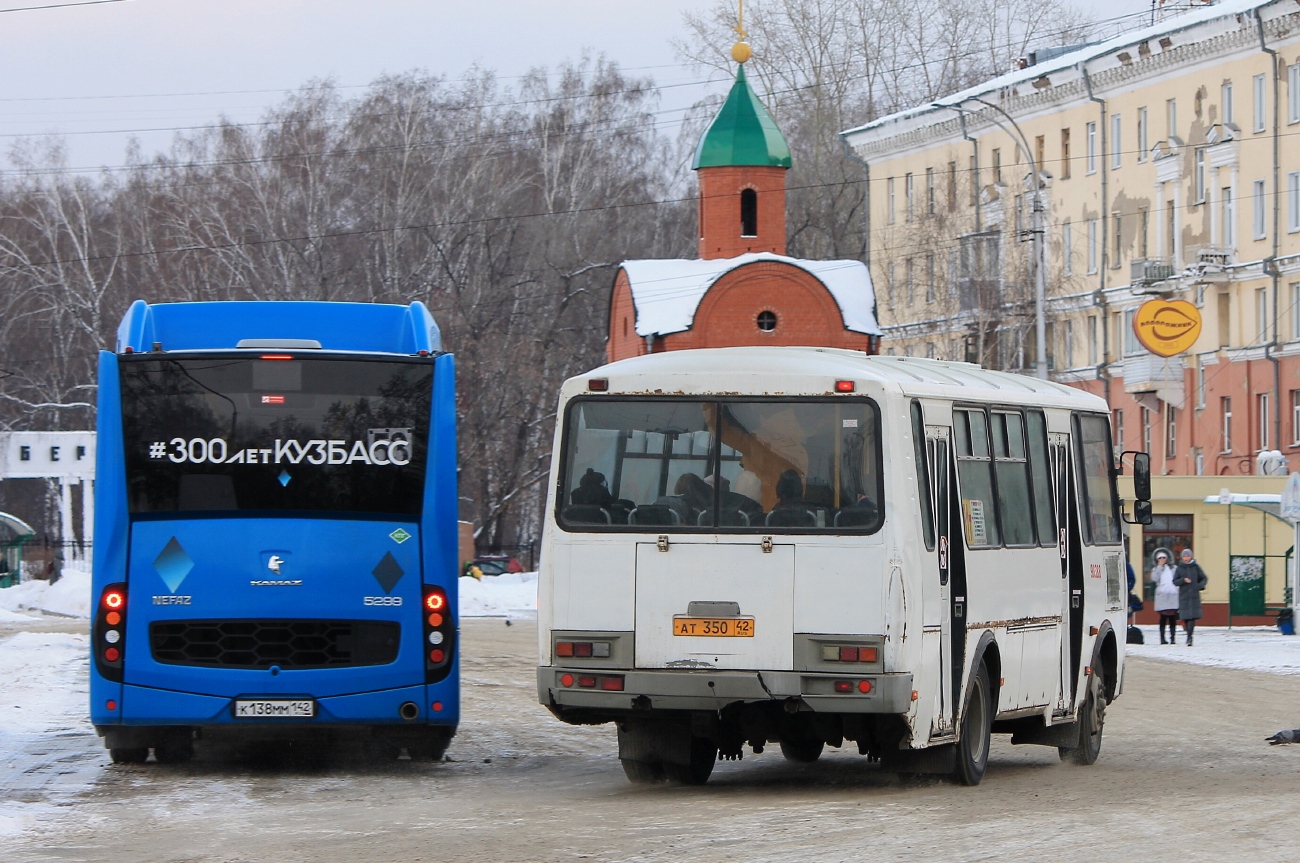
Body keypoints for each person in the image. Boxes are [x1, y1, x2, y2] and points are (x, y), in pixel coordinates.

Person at [1174, 547, 1208, 646]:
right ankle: (1188, 635)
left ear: (1191, 557)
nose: (1186, 558)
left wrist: (1199, 586)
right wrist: (1183, 580)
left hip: (1194, 596)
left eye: (1188, 556)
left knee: (1192, 618)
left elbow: (1204, 578)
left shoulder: (1196, 567)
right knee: (1186, 618)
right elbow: (1175, 581)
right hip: (1184, 596)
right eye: (1184, 556)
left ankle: (1189, 637)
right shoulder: (1179, 568)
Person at [1150, 548, 1180, 644]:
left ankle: (1173, 638)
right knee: (1163, 618)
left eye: (1164, 557)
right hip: (1162, 595)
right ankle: (1162, 638)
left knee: (1172, 617)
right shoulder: (1155, 569)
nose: (1162, 559)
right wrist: (1159, 567)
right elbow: (1155, 578)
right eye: (1160, 558)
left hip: (1173, 594)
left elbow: (1178, 578)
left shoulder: (1174, 568)